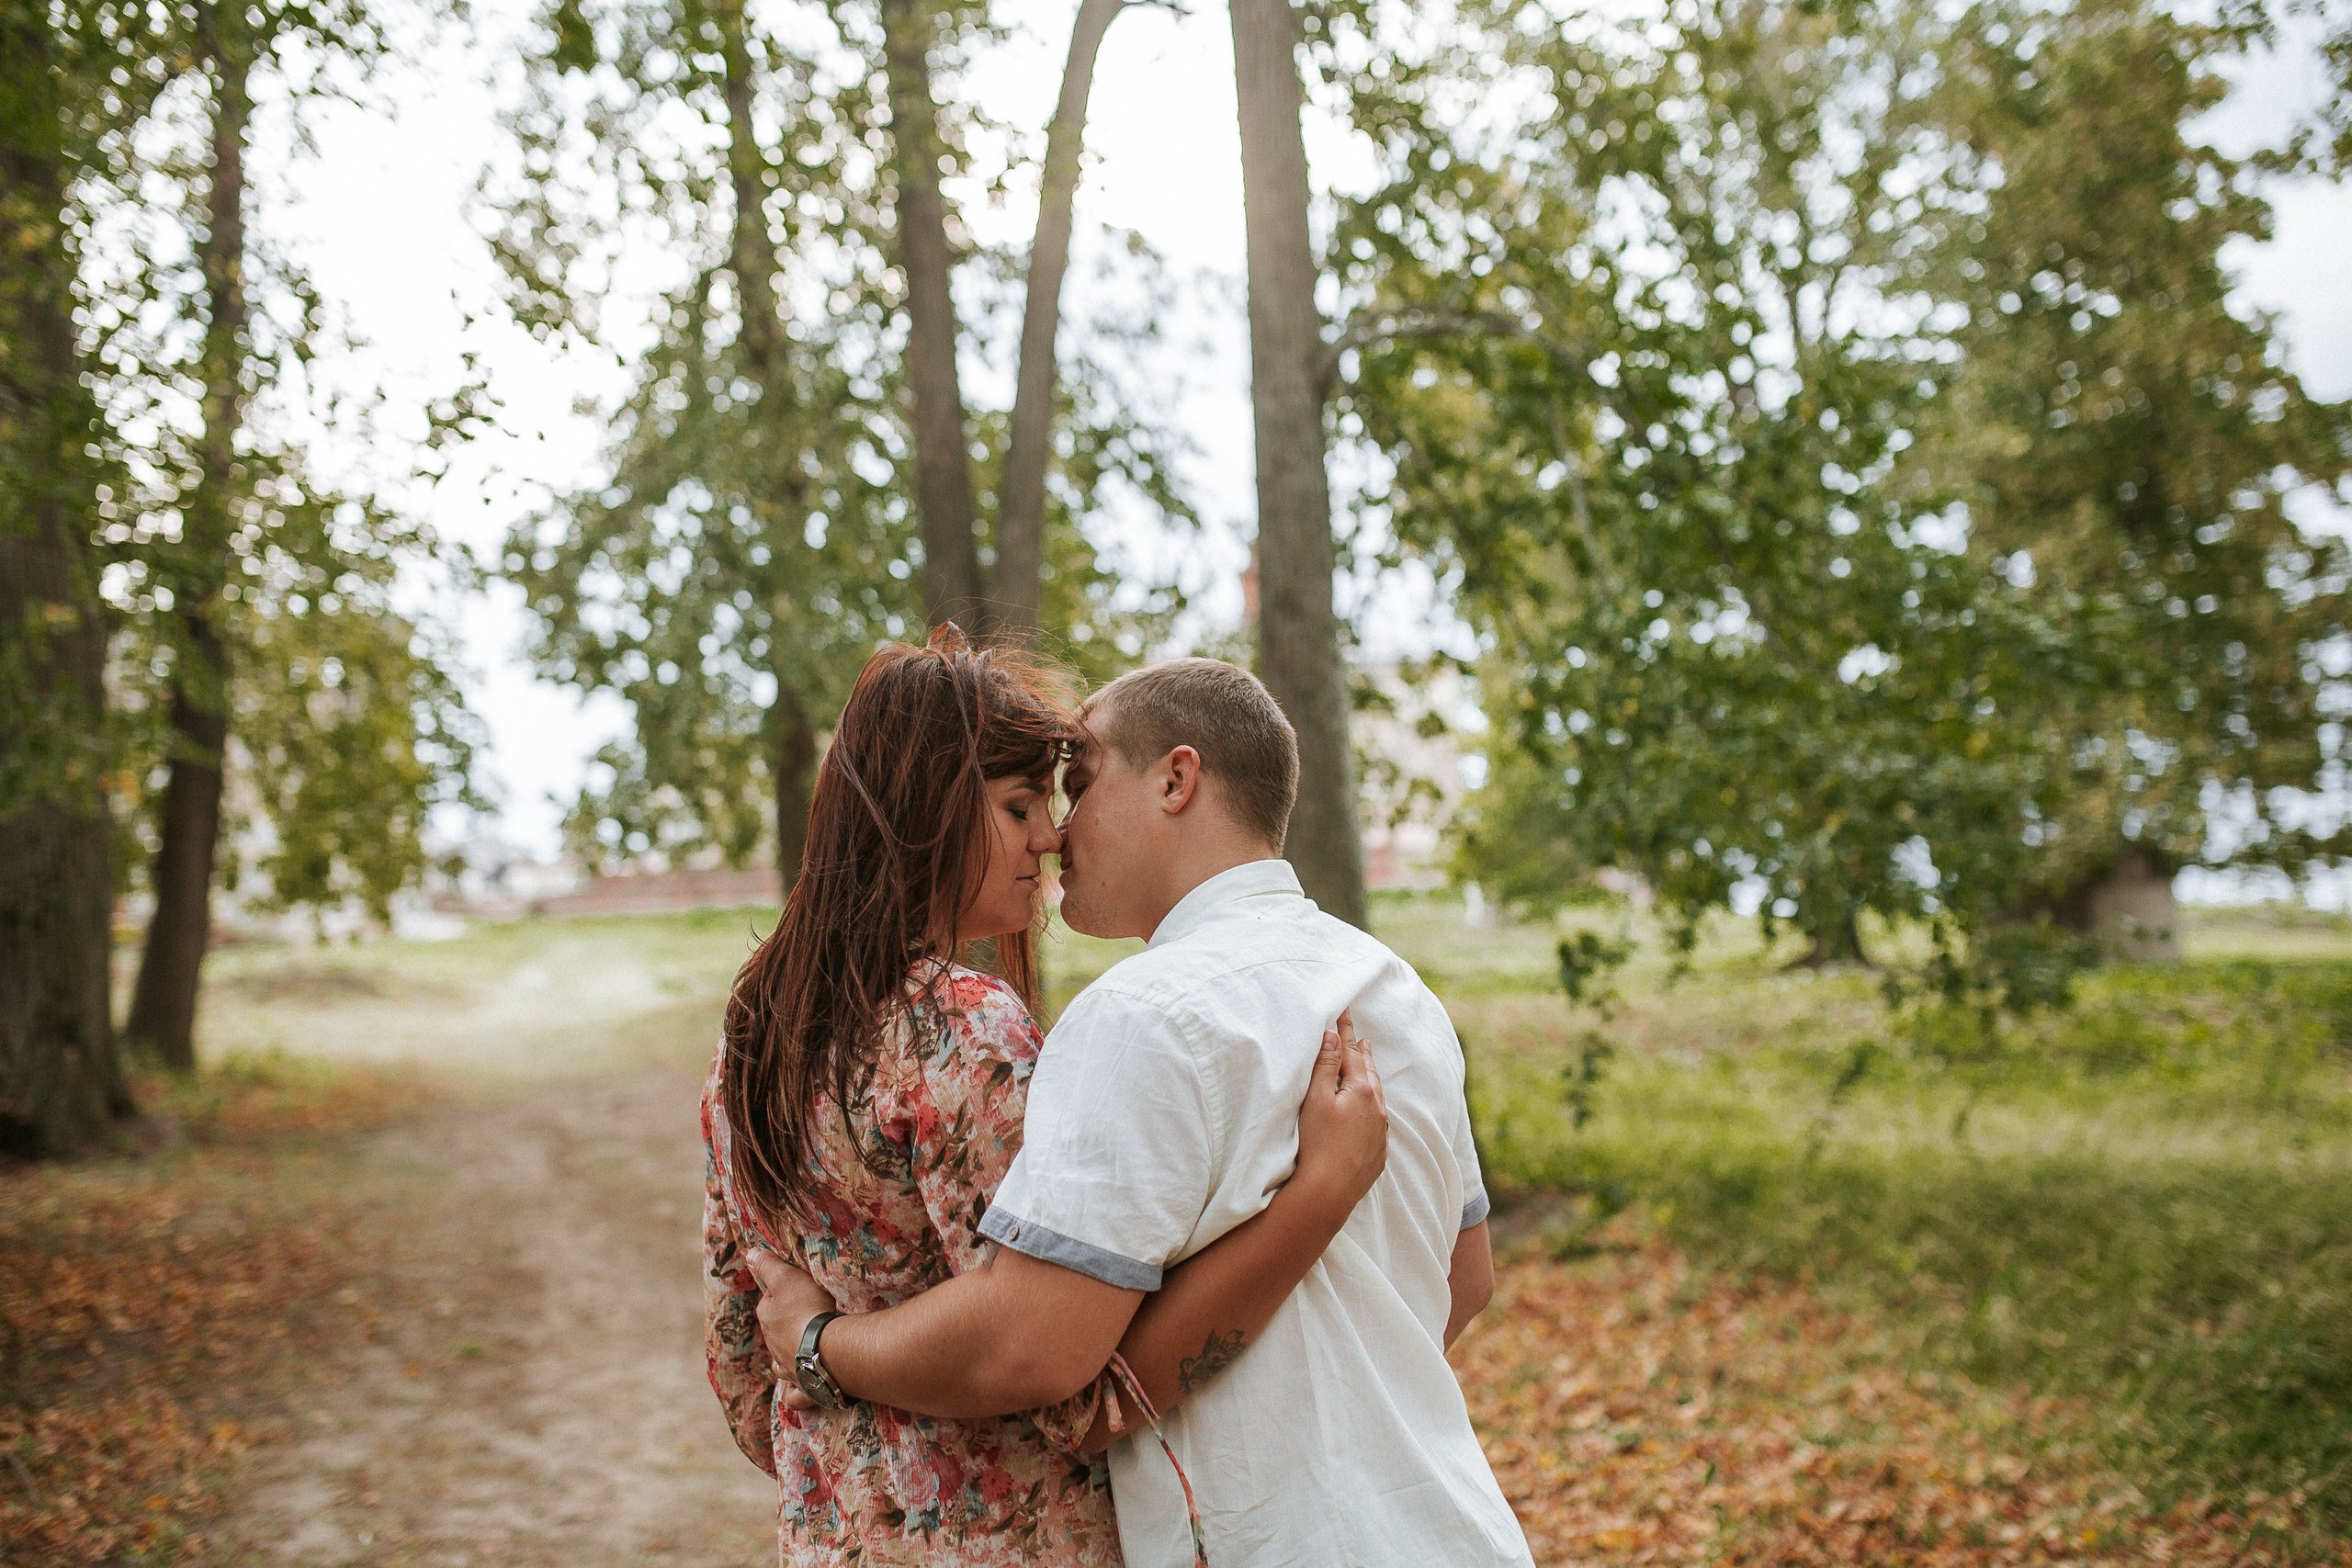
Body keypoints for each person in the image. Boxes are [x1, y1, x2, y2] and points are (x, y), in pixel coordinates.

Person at [755, 657, 1534, 1568]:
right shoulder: (1394, 990)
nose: (1054, 833)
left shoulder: (1143, 1016)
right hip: (1448, 1528)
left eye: (1077, 785)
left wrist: (819, 1343)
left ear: (1176, 778)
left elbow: (1033, 1355)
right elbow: (1465, 1280)